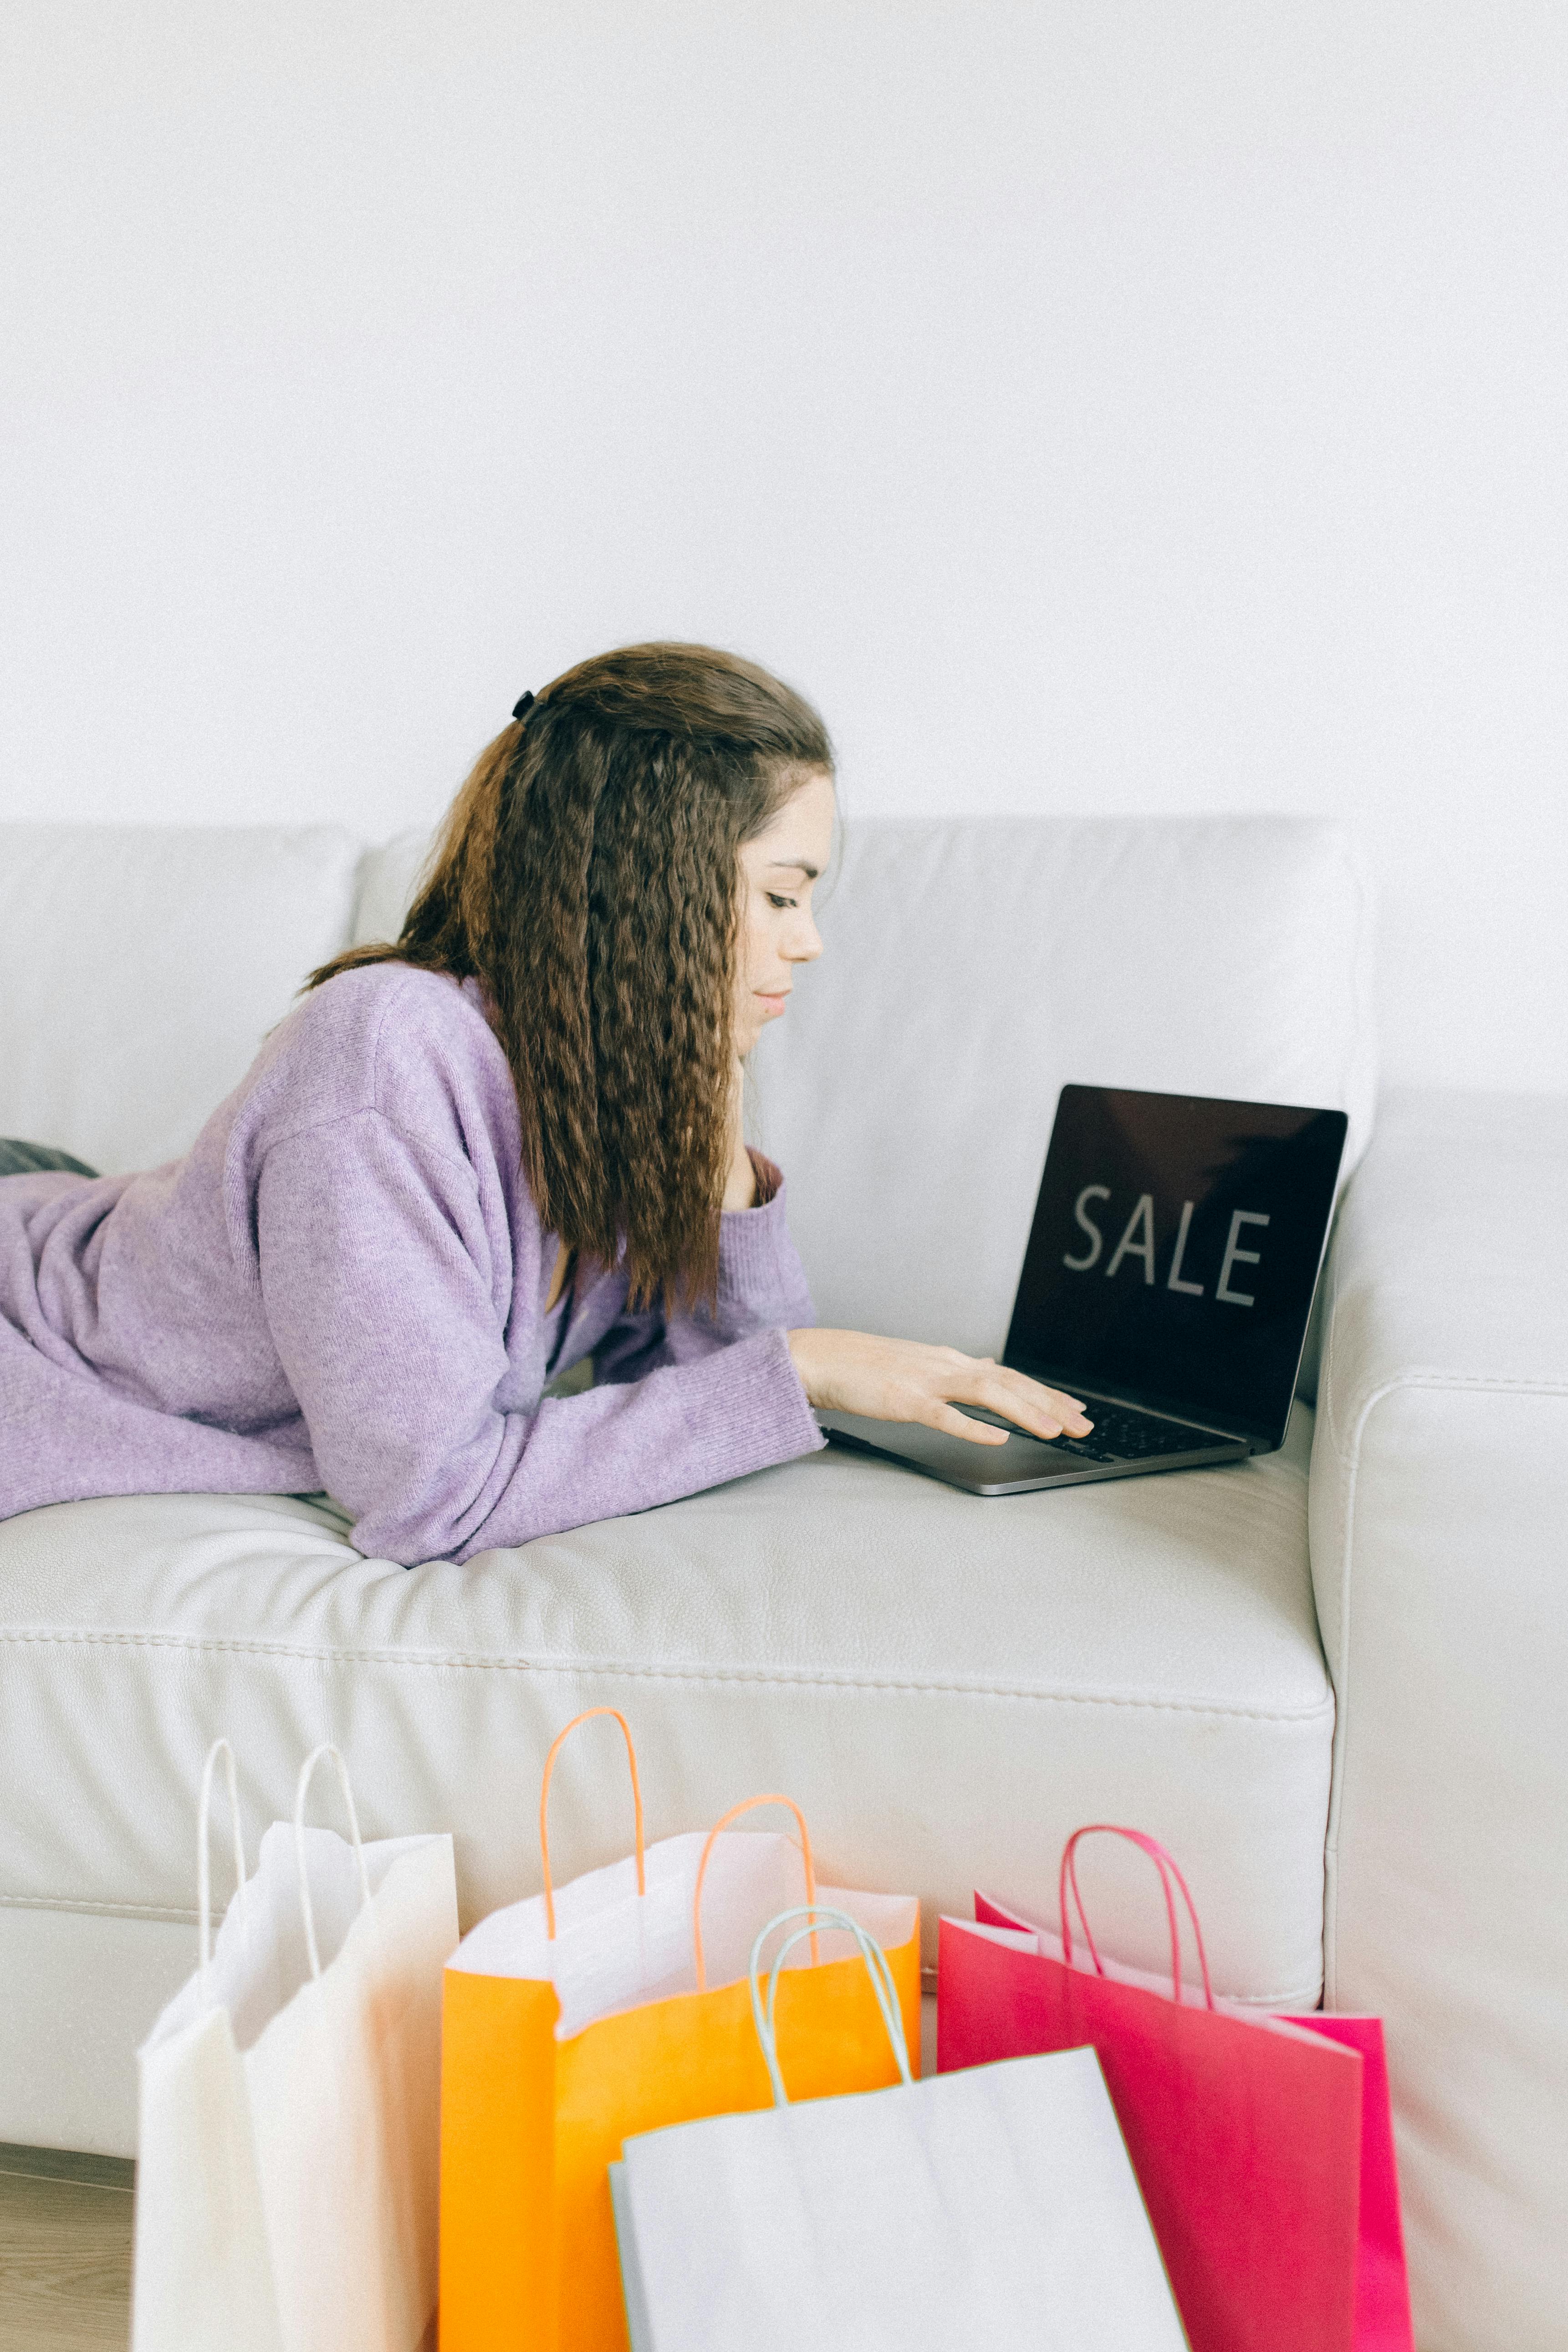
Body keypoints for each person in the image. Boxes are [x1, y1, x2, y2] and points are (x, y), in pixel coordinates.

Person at [0, 644, 1090, 1565]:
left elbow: (713, 1385)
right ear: (656, 883)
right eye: (780, 895)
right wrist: (805, 1368)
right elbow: (431, 1497)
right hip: (34, 1310)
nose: (808, 940)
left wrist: (714, 1121)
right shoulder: (383, 1060)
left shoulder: (602, 1072)